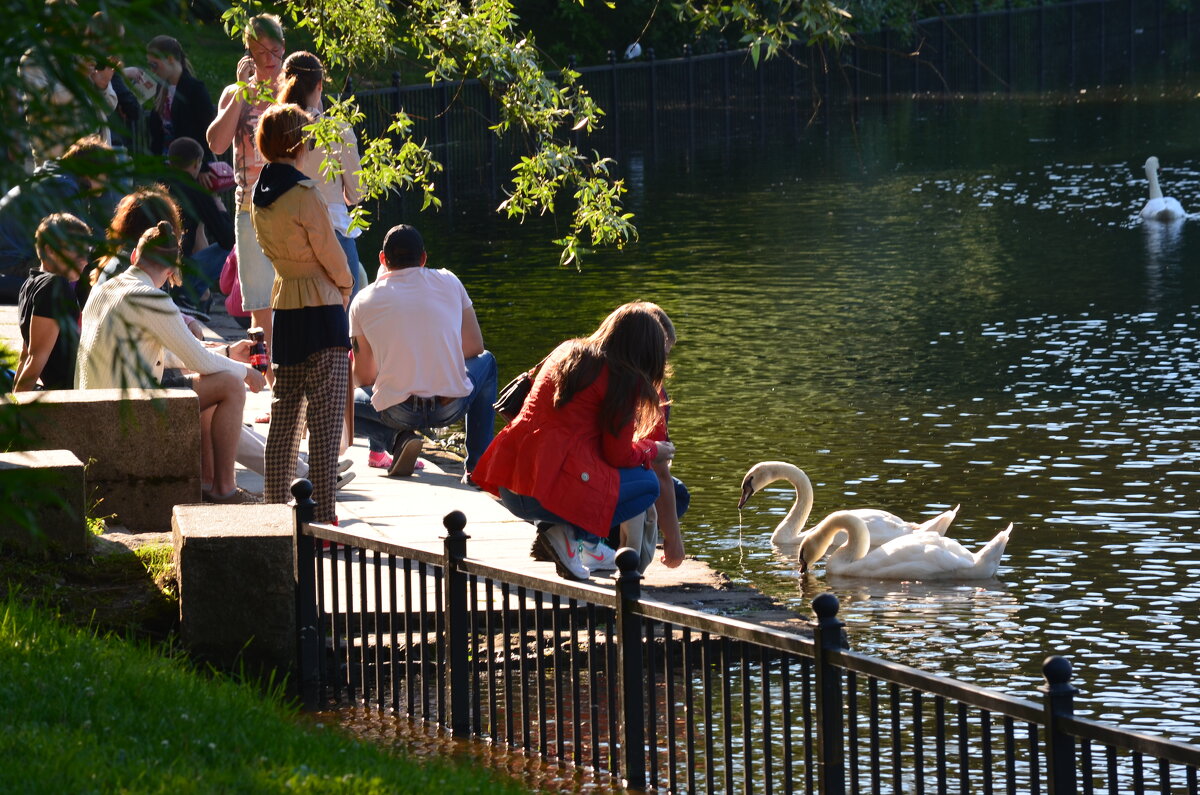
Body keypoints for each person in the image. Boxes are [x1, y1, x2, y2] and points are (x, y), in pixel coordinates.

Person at [471, 302, 679, 580]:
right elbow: (618, 456)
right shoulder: (621, 378)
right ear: (646, 352)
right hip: (545, 496)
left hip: (511, 483)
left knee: (604, 468)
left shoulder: (567, 350)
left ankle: (584, 544)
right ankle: (571, 536)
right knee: (647, 484)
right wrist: (652, 449)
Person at [76, 220, 267, 504]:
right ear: (169, 272)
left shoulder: (105, 289)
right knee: (229, 385)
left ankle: (207, 483)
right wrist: (246, 373)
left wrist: (227, 354)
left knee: (210, 385)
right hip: (125, 414)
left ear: (134, 257)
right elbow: (197, 359)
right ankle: (224, 489)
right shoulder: (152, 298)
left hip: (95, 409)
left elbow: (169, 354)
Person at [250, 103, 352, 524]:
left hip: (285, 304)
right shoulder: (305, 194)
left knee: (285, 416)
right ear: (298, 143)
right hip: (322, 304)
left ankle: (275, 508)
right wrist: (345, 286)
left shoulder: (259, 195)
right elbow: (330, 253)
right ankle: (324, 515)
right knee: (326, 421)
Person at [349, 224, 498, 479]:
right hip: (450, 406)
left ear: (382, 259)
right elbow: (475, 347)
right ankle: (476, 467)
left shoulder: (363, 300)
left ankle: (394, 438)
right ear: (424, 258)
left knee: (336, 403)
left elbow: (365, 377)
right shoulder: (450, 280)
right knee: (488, 362)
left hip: (397, 410)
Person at [207, 13, 286, 383]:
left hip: (290, 207)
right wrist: (240, 91)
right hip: (250, 208)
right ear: (248, 56)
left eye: (275, 51)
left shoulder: (294, 89)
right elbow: (218, 143)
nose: (269, 60)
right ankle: (269, 383)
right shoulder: (236, 93)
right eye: (260, 53)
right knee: (259, 304)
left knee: (290, 299)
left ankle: (282, 380)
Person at [279, 51, 366, 296]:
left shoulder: (275, 128)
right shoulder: (338, 131)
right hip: (333, 231)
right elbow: (357, 193)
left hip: (289, 236)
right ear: (319, 85)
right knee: (343, 314)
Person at [0, 136, 116, 301]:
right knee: (85, 267)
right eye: (107, 175)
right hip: (10, 262)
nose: (108, 183)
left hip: (11, 257)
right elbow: (78, 244)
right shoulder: (63, 186)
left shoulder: (60, 179)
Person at [14, 213, 90, 391]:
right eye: (77, 250)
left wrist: (13, 398)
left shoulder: (30, 283)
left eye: (86, 252)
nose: (85, 260)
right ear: (50, 250)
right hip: (70, 399)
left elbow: (26, 355)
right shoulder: (54, 286)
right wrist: (14, 411)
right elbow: (35, 357)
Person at [164, 136, 235, 310]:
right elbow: (228, 239)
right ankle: (187, 294)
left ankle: (195, 296)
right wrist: (218, 206)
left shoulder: (159, 182)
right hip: (176, 275)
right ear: (197, 163)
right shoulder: (195, 191)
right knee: (233, 247)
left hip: (150, 267)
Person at [145, 35, 217, 182]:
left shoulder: (195, 88)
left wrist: (203, 166)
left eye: (155, 64)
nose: (152, 70)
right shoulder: (161, 89)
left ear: (170, 59)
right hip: (166, 167)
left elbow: (208, 129)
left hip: (191, 167)